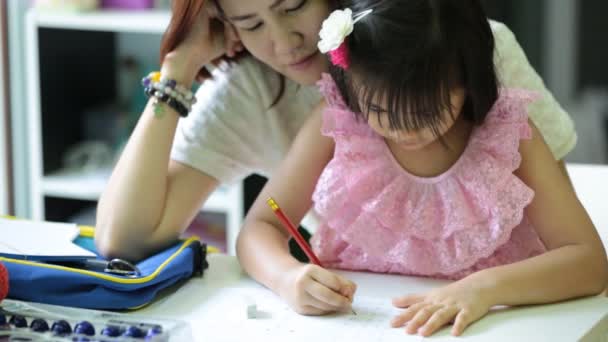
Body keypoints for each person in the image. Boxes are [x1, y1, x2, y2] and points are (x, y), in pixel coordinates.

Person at [95, 0, 578, 264]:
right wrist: (178, 72)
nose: (284, 44)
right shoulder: (248, 91)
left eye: (294, 6)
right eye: (251, 23)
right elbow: (124, 240)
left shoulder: (459, 50)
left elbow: (562, 232)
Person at [236, 0, 608, 337]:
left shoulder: (509, 135)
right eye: (379, 112)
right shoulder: (338, 122)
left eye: (426, 112)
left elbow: (589, 263)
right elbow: (260, 228)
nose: (402, 130)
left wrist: (482, 289)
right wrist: (288, 277)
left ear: (467, 80)